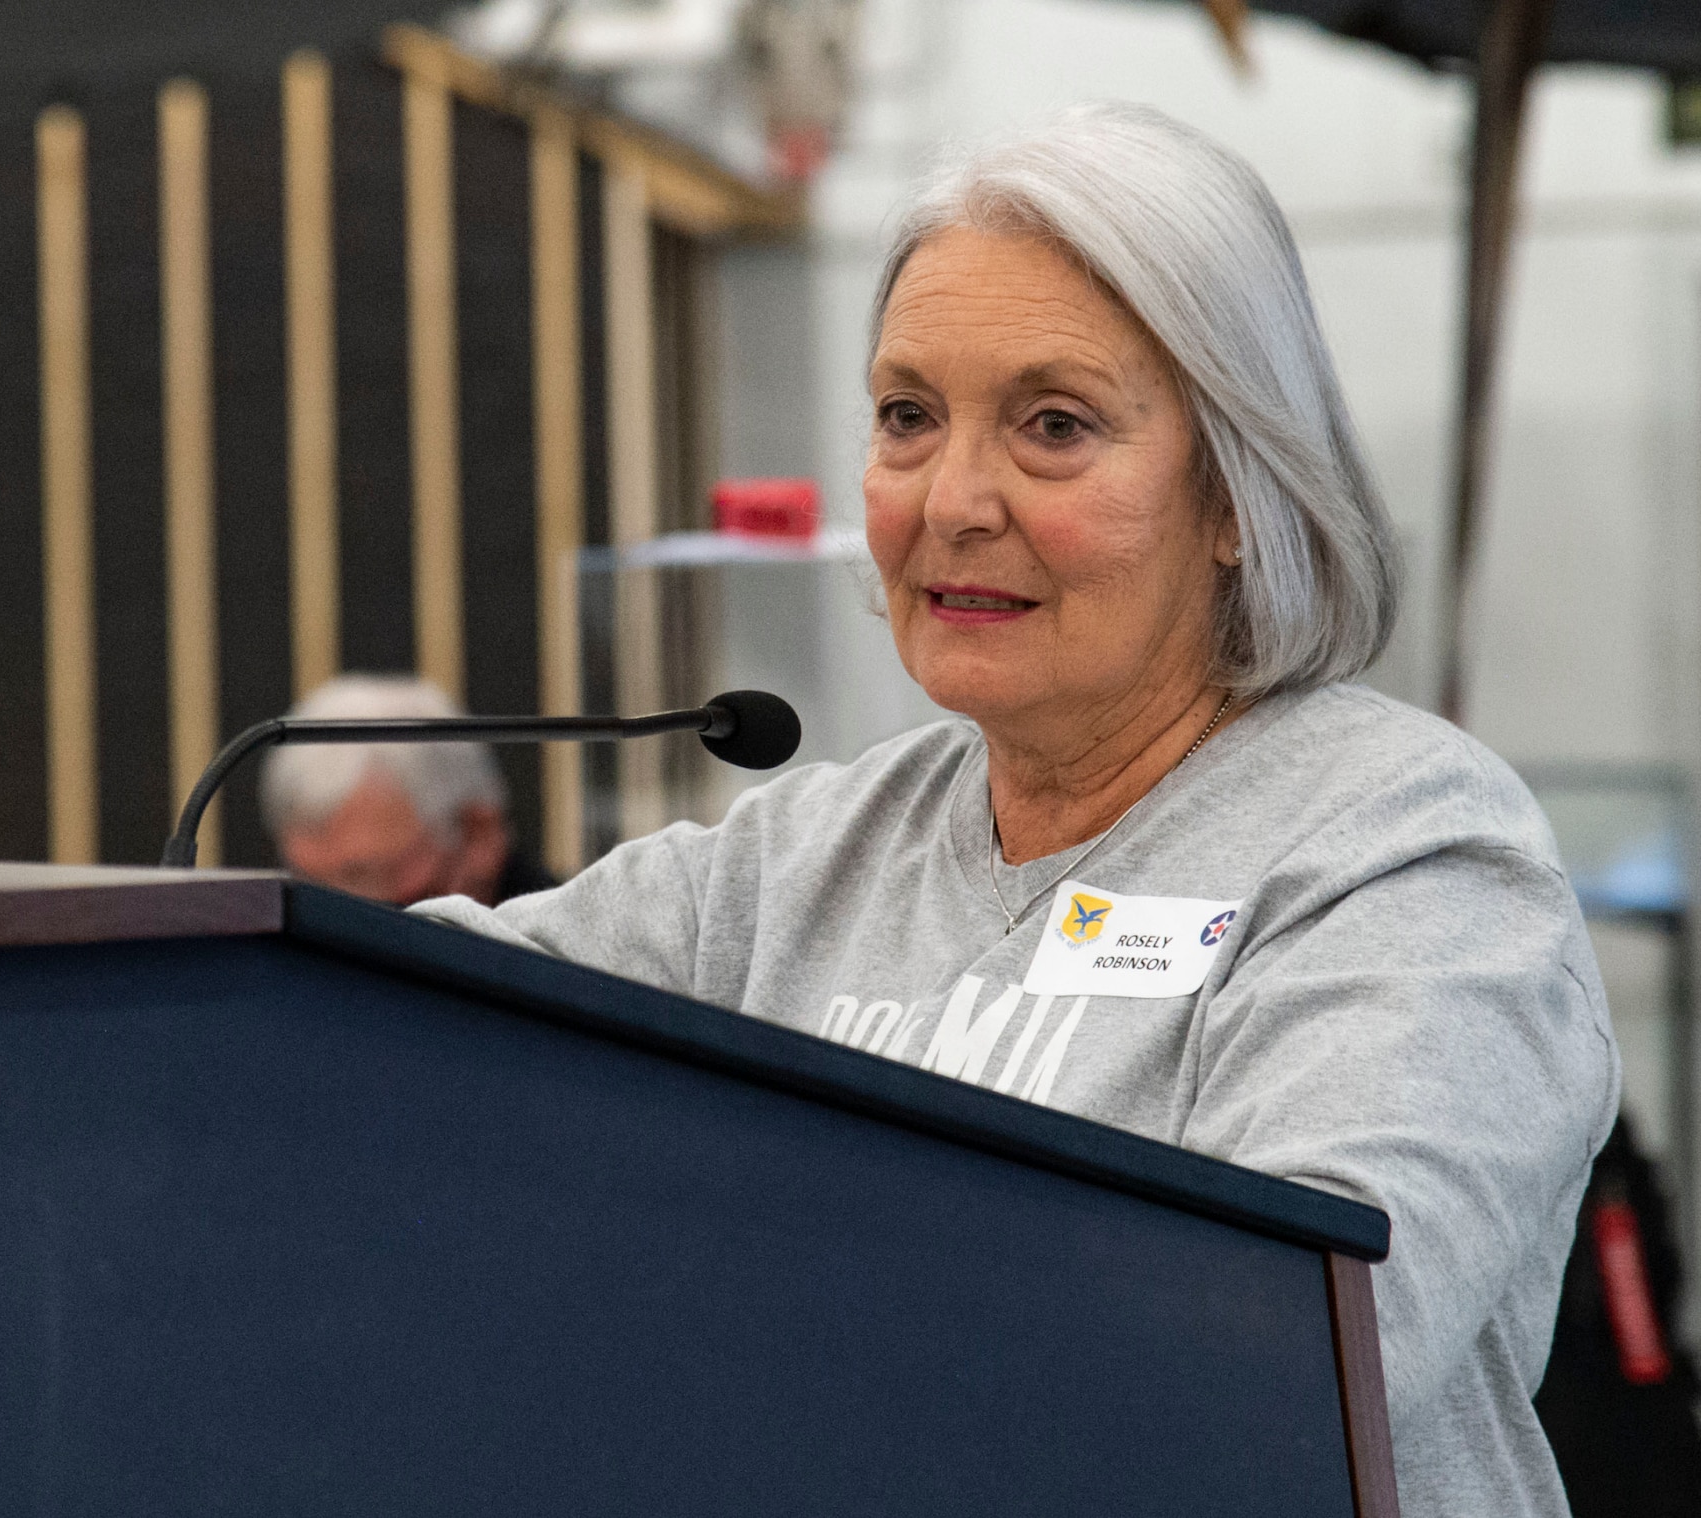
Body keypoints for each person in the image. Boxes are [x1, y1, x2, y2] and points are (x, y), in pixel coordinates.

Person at [415, 103, 1617, 1516]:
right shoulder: (802, 859)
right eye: (908, 416)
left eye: (1054, 426)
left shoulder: (1405, 853)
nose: (955, 500)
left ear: (1236, 484)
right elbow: (389, 1048)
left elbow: (1284, 1343)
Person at [260, 675, 553, 906]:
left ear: (477, 837)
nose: (321, 919)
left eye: (363, 879)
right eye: (305, 884)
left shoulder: (581, 965)